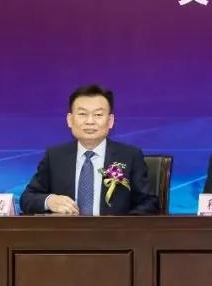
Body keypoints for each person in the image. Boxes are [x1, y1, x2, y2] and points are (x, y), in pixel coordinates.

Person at [20, 84, 158, 215]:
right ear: (70, 120)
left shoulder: (130, 156)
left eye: (98, 115)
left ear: (110, 121)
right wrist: (49, 201)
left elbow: (149, 203)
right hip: (66, 231)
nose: (90, 121)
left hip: (114, 231)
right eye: (82, 114)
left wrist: (120, 226)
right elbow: (27, 199)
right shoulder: (55, 156)